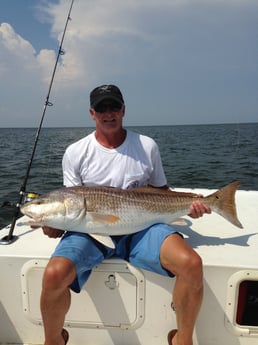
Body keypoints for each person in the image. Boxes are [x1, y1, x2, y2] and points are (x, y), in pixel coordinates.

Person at [40, 84, 211, 345]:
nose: (108, 113)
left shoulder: (146, 145)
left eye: (113, 107)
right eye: (101, 108)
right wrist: (53, 223)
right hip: (90, 232)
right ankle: (53, 341)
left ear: (123, 110)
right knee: (53, 274)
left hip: (142, 228)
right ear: (91, 113)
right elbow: (71, 202)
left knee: (191, 264)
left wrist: (189, 205)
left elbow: (161, 190)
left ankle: (183, 340)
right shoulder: (76, 152)